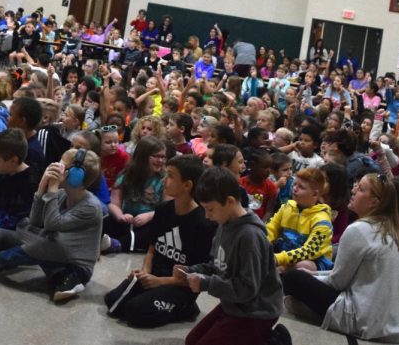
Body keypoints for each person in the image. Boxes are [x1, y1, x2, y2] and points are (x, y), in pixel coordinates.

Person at [280, 173, 399, 343]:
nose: (353, 190)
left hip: (362, 317)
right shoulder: (396, 231)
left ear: (374, 202)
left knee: (293, 278)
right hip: (396, 321)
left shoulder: (359, 229)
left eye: (360, 189)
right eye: (356, 185)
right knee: (303, 275)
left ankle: (314, 311)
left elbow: (338, 282)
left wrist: (309, 276)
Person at [0, 148, 105, 302]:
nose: (54, 167)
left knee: (42, 244)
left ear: (75, 176)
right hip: (59, 254)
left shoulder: (90, 207)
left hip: (77, 266)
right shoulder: (63, 195)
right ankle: (62, 280)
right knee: (26, 227)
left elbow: (51, 224)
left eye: (60, 166)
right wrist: (42, 188)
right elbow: (35, 221)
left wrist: (52, 190)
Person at [177, 167, 287, 345]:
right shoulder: (224, 223)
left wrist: (206, 283)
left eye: (210, 209)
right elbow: (217, 265)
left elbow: (247, 289)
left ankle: (273, 340)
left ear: (229, 201)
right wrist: (191, 270)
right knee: (192, 341)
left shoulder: (250, 236)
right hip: (234, 305)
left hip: (256, 312)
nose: (207, 216)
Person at [105, 155, 215, 327]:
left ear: (187, 185)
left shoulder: (203, 223)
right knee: (112, 301)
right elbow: (152, 247)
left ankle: (186, 307)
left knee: (135, 311)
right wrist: (145, 272)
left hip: (179, 286)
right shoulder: (163, 209)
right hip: (154, 275)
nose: (165, 180)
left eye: (171, 176)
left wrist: (160, 281)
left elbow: (197, 274)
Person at [103, 137, 169, 253]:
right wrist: (120, 216)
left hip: (150, 221)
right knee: (107, 221)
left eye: (163, 157)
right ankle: (101, 241)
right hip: (128, 220)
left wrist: (148, 216)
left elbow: (168, 208)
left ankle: (117, 244)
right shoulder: (127, 175)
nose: (160, 161)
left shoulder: (165, 179)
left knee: (155, 230)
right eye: (156, 156)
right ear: (143, 157)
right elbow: (113, 204)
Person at [265, 167, 334, 272]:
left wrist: (278, 259)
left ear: (315, 194)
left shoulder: (322, 221)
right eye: (295, 184)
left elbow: (309, 251)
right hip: (285, 253)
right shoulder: (286, 207)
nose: (294, 189)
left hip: (314, 261)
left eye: (301, 187)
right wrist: (261, 244)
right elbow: (271, 229)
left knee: (302, 266)